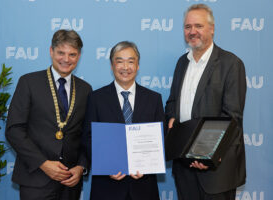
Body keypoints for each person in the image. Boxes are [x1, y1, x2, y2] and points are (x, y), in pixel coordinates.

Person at [165, 4, 246, 200]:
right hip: (184, 168)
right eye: (187, 27)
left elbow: (232, 117)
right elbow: (172, 102)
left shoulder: (231, 64)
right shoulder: (181, 63)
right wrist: (171, 118)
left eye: (198, 26)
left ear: (212, 28)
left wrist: (206, 155)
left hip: (216, 170)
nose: (192, 32)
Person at [5, 29, 92, 200]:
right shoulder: (28, 82)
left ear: (79, 56)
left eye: (72, 54)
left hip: (70, 183)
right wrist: (43, 164)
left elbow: (88, 134)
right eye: (61, 53)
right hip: (35, 179)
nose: (66, 59)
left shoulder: (85, 89)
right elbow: (14, 130)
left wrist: (81, 167)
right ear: (51, 51)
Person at [83, 41, 165, 200]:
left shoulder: (154, 99)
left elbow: (161, 138)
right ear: (112, 66)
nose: (125, 67)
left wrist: (147, 166)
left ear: (138, 66)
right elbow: (87, 138)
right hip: (107, 188)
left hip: (144, 188)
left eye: (131, 61)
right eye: (119, 61)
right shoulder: (96, 98)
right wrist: (107, 167)